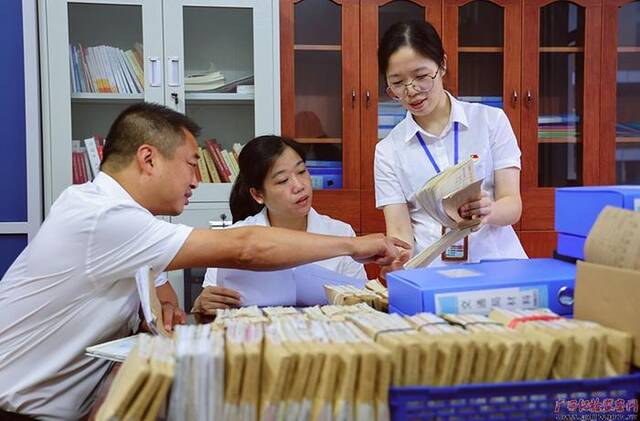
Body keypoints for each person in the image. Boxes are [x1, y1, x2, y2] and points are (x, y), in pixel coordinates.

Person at [0, 103, 405, 420]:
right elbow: (245, 247)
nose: (198, 179)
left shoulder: (111, 210)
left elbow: (150, 281)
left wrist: (163, 305)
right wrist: (353, 247)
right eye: (193, 163)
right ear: (148, 159)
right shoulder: (104, 217)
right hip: (22, 410)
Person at [375, 20, 526, 275]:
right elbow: (400, 231)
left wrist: (489, 210)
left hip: (498, 264)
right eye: (397, 83)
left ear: (442, 65)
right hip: (433, 274)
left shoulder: (490, 121)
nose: (411, 91)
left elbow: (512, 205)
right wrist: (399, 258)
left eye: (421, 76)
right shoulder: (388, 150)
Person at [193, 136, 367, 314]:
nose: (299, 186)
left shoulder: (340, 232)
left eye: (301, 171)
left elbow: (362, 304)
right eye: (283, 180)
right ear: (258, 194)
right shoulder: (232, 239)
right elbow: (209, 305)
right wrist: (202, 304)